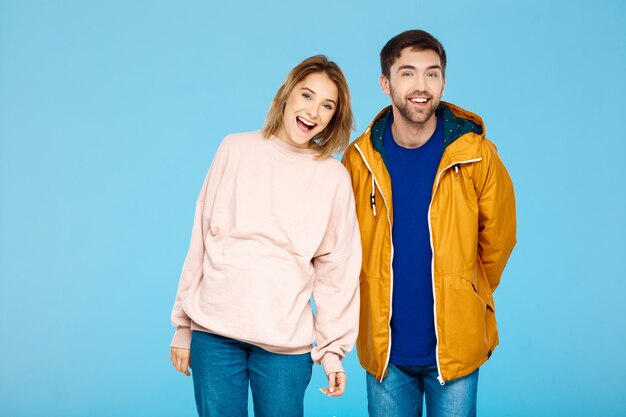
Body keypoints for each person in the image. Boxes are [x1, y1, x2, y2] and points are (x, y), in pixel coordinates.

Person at [169, 55, 361, 417]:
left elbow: (338, 269)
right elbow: (201, 238)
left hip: (284, 345)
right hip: (214, 332)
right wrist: (182, 326)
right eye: (306, 96)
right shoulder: (234, 149)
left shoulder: (332, 178)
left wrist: (332, 352)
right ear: (286, 96)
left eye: (327, 105)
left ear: (334, 117)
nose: (313, 111)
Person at [342, 30, 517, 417]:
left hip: (454, 348)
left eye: (432, 74)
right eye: (407, 74)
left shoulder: (476, 155)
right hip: (386, 349)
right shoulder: (358, 160)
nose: (421, 87)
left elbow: (499, 239)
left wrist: (465, 289)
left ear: (443, 81)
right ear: (385, 83)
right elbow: (340, 244)